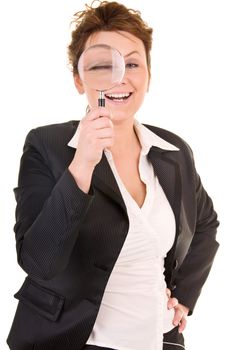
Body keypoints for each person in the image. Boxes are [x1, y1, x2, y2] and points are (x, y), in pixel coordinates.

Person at [7, 1, 219, 349]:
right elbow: (39, 262)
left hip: (159, 340)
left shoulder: (173, 150)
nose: (119, 77)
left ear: (149, 75)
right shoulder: (48, 144)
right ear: (79, 79)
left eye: (132, 63)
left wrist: (184, 295)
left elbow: (205, 224)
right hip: (75, 341)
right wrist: (83, 164)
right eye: (102, 65)